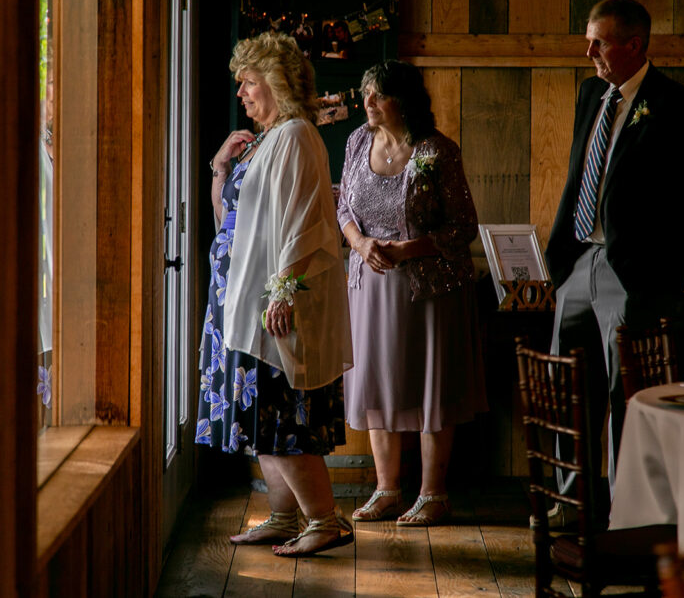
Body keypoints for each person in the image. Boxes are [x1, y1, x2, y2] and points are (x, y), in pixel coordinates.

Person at [541, 0, 684, 526]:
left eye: (600, 42)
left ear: (635, 45)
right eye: (589, 39)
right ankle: (573, 503)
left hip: (633, 274)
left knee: (627, 394)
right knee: (567, 383)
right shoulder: (591, 93)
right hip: (579, 261)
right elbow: (577, 178)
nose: (588, 51)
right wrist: (559, 262)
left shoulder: (675, 105)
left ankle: (630, 512)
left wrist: (660, 274)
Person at [196, 32, 354, 557]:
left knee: (277, 412)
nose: (241, 91)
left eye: (248, 81)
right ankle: (285, 516)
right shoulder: (264, 141)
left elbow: (307, 223)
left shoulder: (296, 136)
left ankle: (324, 520)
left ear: (276, 83)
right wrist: (221, 169)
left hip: (268, 303)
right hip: (236, 296)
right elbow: (231, 225)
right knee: (255, 415)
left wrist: (283, 292)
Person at [337, 59, 486, 527]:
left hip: (428, 289)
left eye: (377, 95)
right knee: (377, 381)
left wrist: (408, 249)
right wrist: (361, 244)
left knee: (429, 385)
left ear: (402, 100)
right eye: (365, 94)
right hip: (370, 285)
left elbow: (464, 227)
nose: (367, 103)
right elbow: (343, 205)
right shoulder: (357, 141)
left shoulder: (438, 151)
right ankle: (387, 490)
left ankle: (433, 494)